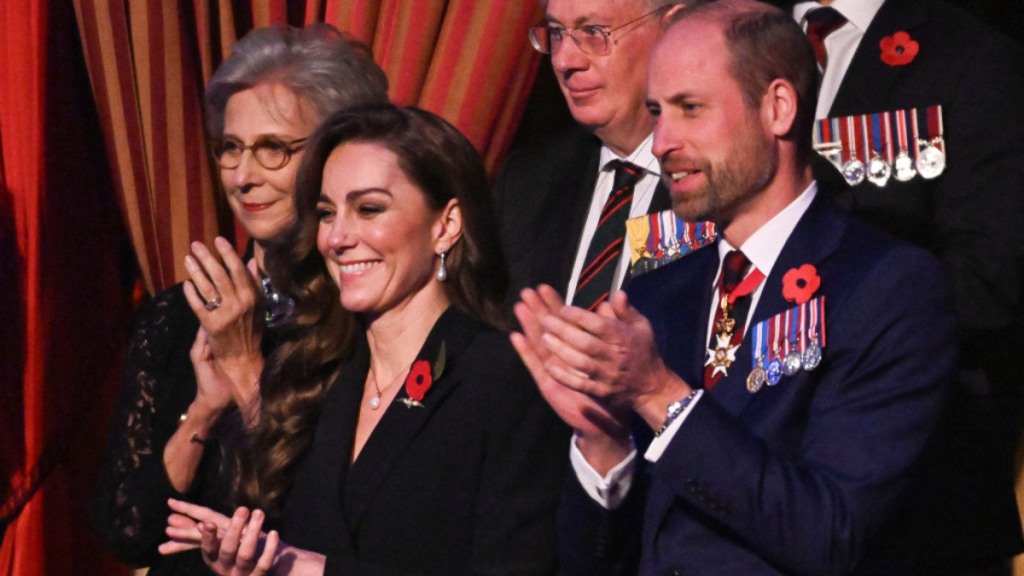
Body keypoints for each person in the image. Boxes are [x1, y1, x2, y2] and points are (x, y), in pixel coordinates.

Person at [511, 2, 959, 574]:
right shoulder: (657, 294)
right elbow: (599, 560)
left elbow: (835, 534)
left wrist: (658, 395)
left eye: (689, 109)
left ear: (777, 107)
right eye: (656, 111)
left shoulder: (886, 287)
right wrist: (601, 444)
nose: (663, 139)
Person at [157, 104, 570, 576]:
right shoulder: (315, 371)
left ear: (446, 224)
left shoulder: (506, 377)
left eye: (369, 209)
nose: (337, 237)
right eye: (326, 213)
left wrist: (309, 570)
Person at [91, 24, 388, 576]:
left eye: (272, 149)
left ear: (338, 153)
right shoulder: (179, 314)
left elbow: (332, 529)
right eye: (231, 148)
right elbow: (127, 530)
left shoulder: (371, 316)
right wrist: (205, 409)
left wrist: (246, 369)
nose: (243, 177)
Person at [781, 0, 1024, 572]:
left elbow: (994, 277)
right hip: (742, 493)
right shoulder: (734, 36)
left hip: (911, 500)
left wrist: (819, 324)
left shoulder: (970, 58)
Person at [494, 0, 686, 312]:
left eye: (593, 31)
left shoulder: (726, 180)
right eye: (556, 33)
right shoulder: (527, 181)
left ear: (674, 31)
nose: (563, 60)